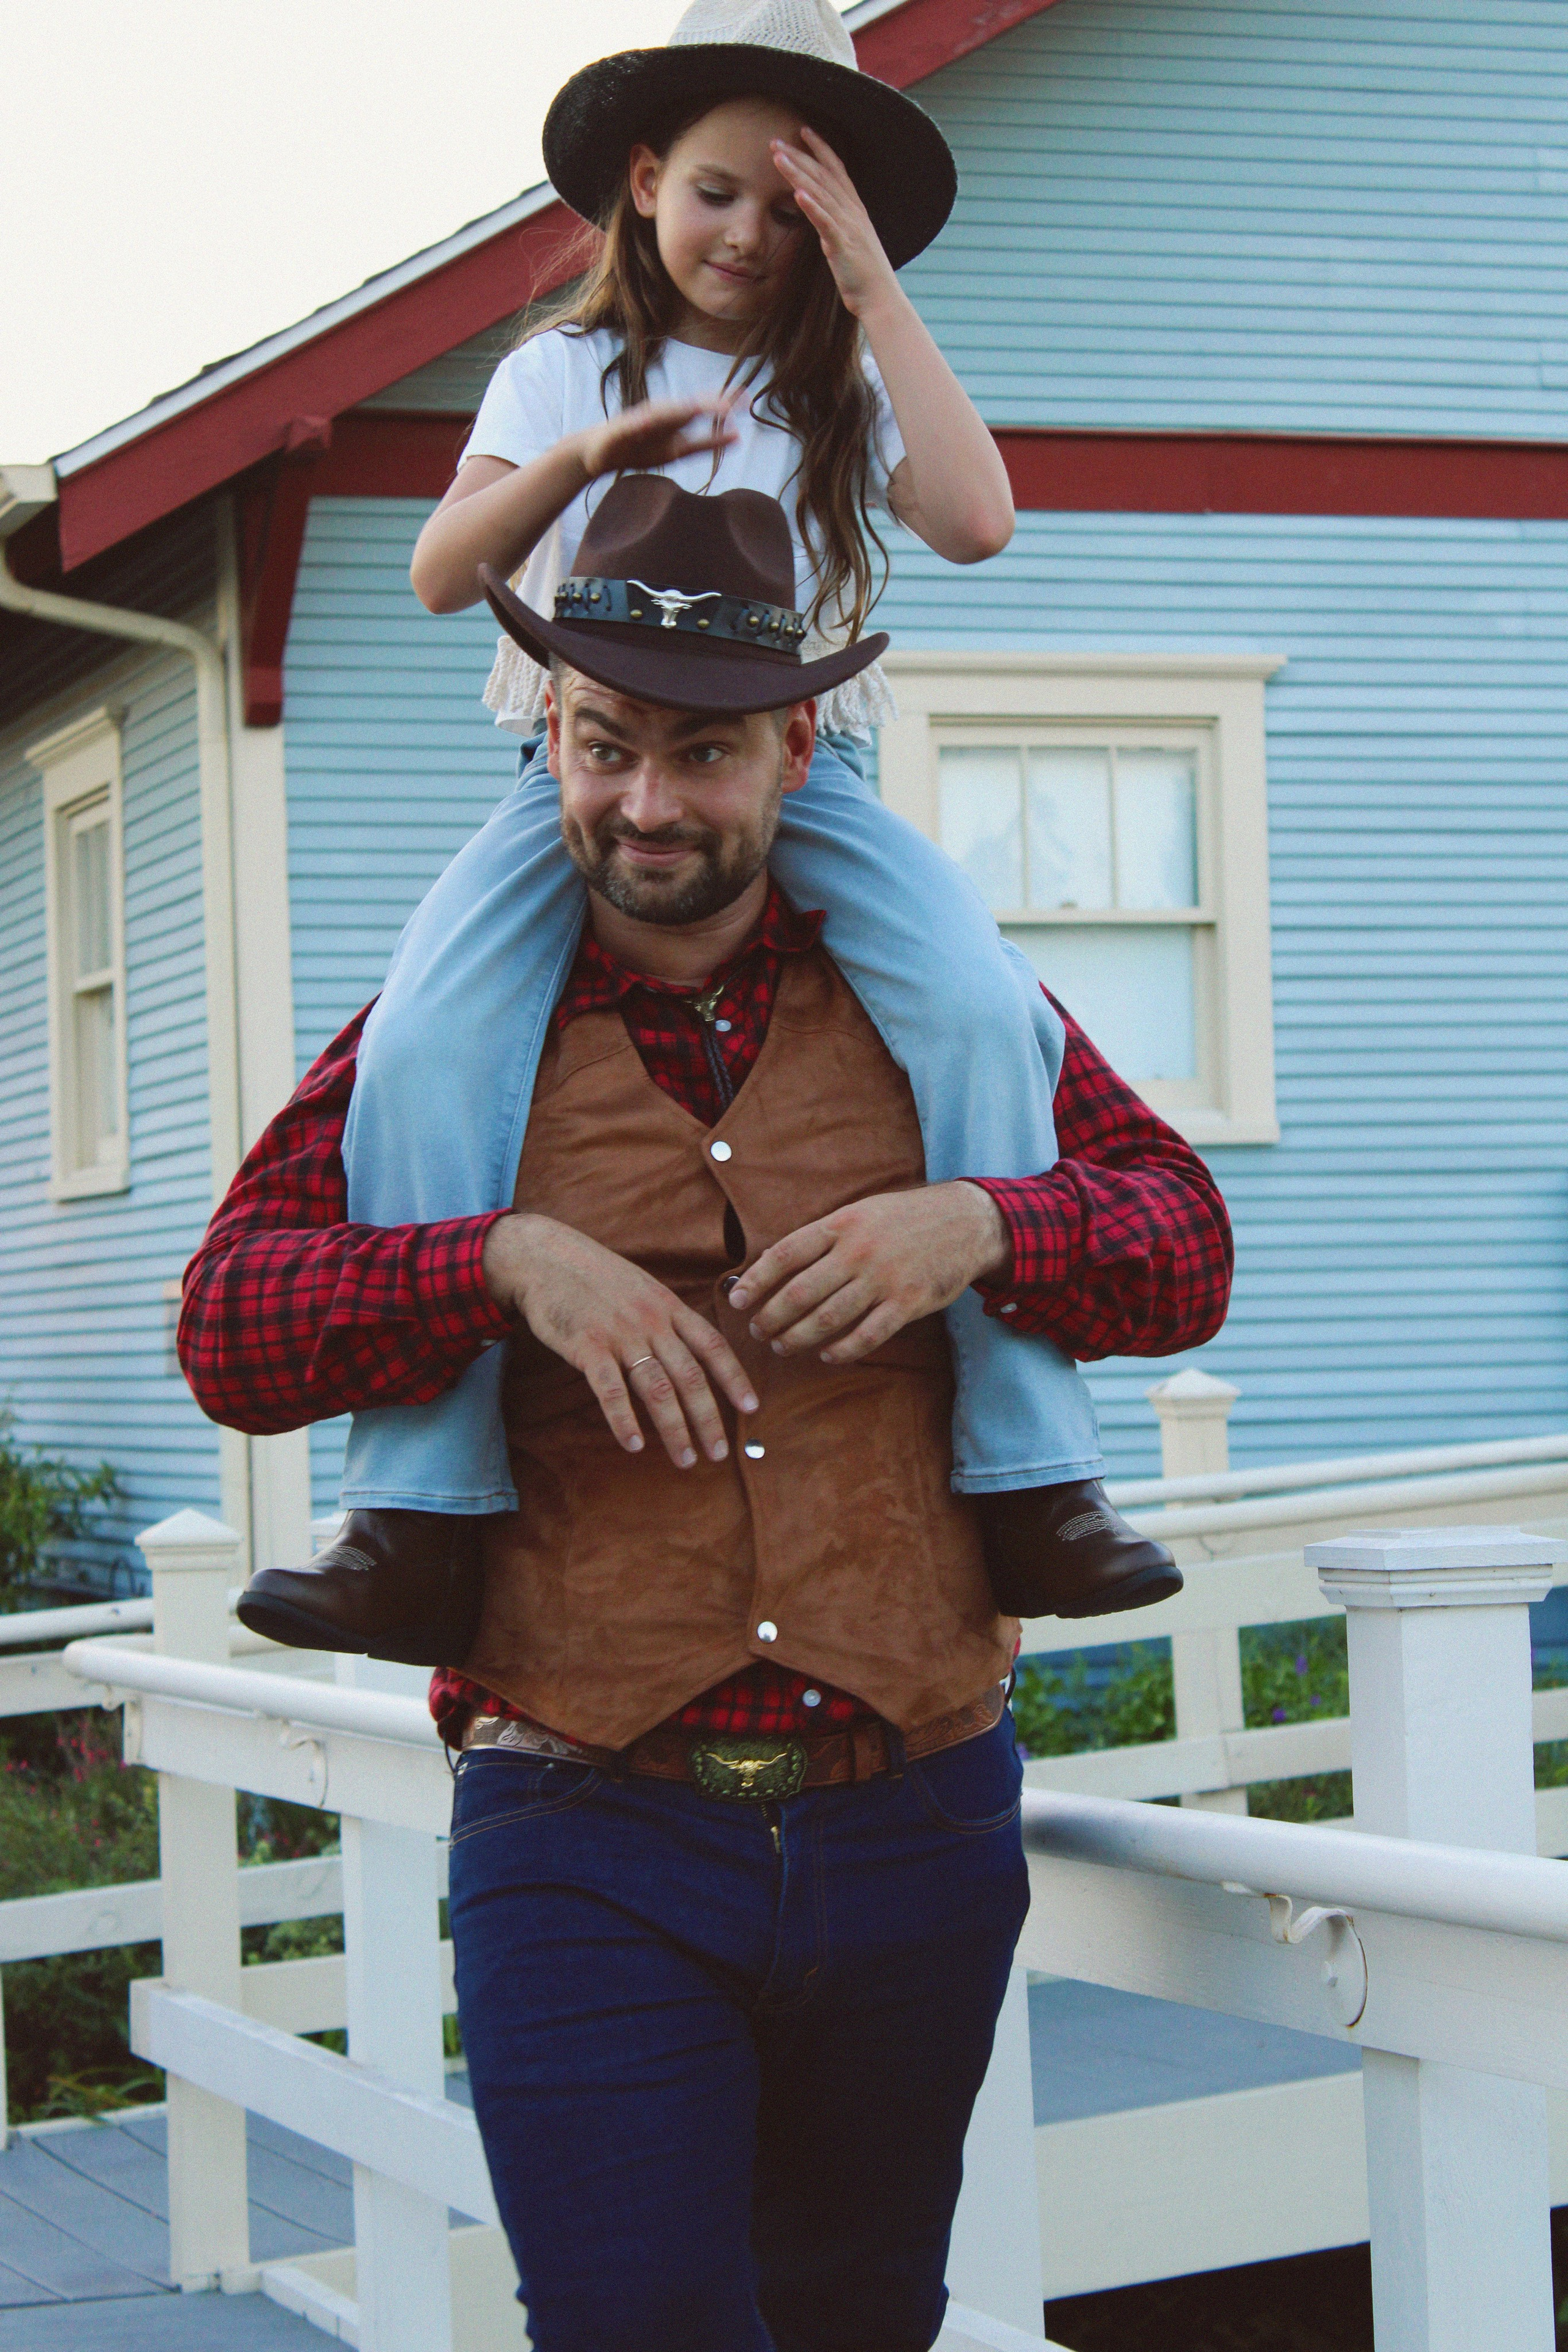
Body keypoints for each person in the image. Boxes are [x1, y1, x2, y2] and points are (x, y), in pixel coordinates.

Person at [179, 478, 1232, 2352]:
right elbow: (230, 1328)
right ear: (555, 741)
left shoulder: (958, 1010)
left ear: (796, 752)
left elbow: (1185, 1250)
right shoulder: (441, 1026)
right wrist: (490, 1262)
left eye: (702, 753)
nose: (647, 803)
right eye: (605, 747)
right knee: (636, 2326)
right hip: (586, 1818)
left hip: (911, 1812)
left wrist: (988, 1221)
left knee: (857, 2322)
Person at [233, 0, 1187, 1664]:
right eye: (718, 194)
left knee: (978, 1006)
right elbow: (442, 573)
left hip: (803, 774)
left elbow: (976, 520)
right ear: (646, 187)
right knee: (432, 1040)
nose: (750, 235)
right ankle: (415, 1512)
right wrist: (586, 459)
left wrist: (877, 289)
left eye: (792, 205)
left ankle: (1034, 1473)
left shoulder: (835, 380)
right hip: (575, 773)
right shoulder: (562, 369)